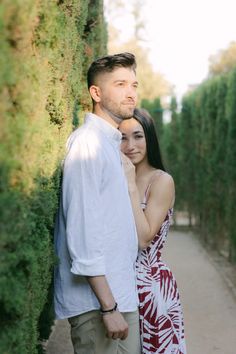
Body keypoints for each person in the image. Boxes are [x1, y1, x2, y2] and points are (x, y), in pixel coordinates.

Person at [54, 53, 141, 354]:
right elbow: (83, 232)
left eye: (134, 84)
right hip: (99, 306)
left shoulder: (108, 144)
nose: (131, 92)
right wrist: (108, 307)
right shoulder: (87, 144)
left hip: (120, 298)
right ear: (96, 93)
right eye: (120, 84)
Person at [119, 108, 187, 354]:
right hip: (116, 283)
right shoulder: (113, 176)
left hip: (151, 286)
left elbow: (145, 238)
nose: (130, 145)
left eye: (138, 136)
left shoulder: (162, 181)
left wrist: (130, 185)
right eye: (122, 138)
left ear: (150, 138)